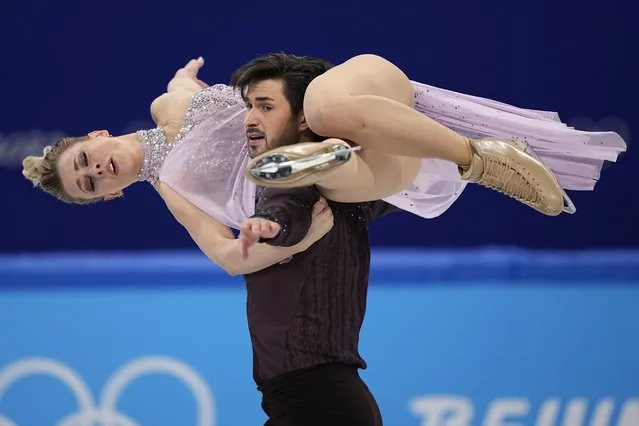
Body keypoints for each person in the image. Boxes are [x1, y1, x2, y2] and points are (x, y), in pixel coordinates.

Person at [21, 54, 626, 270]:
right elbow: (231, 259)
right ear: (108, 197)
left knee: (322, 100)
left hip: (366, 109)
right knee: (302, 172)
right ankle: (312, 161)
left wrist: (183, 79)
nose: (95, 170)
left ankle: (485, 161)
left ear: (97, 136)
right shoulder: (173, 192)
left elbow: (179, 91)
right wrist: (272, 237)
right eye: (88, 185)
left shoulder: (167, 104)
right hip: (376, 170)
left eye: (86, 161)